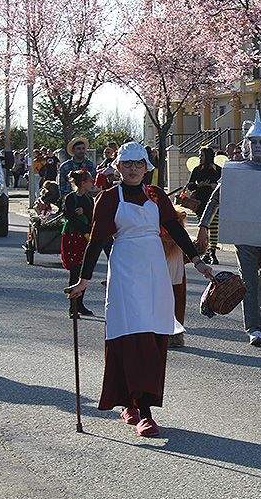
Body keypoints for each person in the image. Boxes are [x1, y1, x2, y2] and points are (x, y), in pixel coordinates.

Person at [65, 142, 213, 438]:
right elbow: (96, 240)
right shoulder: (108, 198)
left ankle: (135, 402)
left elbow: (175, 228)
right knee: (130, 336)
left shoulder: (156, 195)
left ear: (147, 168)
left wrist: (197, 261)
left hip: (155, 272)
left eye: (138, 164)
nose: (133, 169)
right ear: (118, 167)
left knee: (154, 336)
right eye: (127, 164)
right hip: (125, 272)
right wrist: (84, 280)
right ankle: (142, 411)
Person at [197, 115, 261, 346]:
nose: (257, 146)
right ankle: (253, 327)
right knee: (248, 281)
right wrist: (203, 225)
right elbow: (215, 199)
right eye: (253, 142)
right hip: (245, 236)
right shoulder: (235, 171)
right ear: (247, 144)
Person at [61, 169, 96, 318]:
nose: (92, 182)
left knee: (84, 271)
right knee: (75, 271)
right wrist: (83, 226)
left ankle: (80, 304)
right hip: (73, 236)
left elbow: (92, 215)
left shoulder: (89, 199)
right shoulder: (70, 198)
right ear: (83, 183)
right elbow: (68, 216)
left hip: (85, 237)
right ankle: (73, 306)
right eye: (90, 180)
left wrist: (86, 213)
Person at [187, 147, 222, 265]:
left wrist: (214, 185)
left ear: (208, 156)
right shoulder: (197, 169)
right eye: (199, 155)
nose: (200, 158)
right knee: (204, 228)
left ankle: (212, 252)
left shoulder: (218, 169)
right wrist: (198, 185)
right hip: (200, 202)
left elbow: (224, 184)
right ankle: (206, 252)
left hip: (214, 202)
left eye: (202, 155)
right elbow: (190, 185)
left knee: (214, 227)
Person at [162, 207, 189, 348]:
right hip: (163, 272)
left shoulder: (178, 239)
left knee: (177, 301)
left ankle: (176, 334)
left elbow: (188, 250)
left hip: (176, 273)